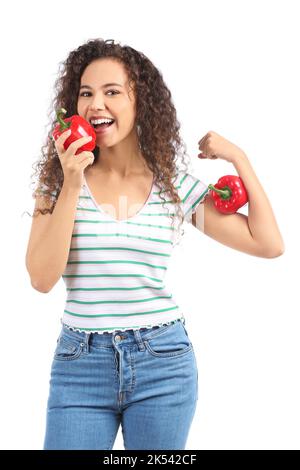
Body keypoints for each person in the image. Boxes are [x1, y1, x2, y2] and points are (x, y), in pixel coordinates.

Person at [25, 38, 284, 450]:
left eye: (112, 92)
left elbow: (266, 242)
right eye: (86, 93)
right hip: (80, 367)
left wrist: (239, 158)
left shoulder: (173, 188)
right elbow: (41, 278)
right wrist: (72, 180)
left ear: (139, 102)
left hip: (162, 362)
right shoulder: (56, 184)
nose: (96, 104)